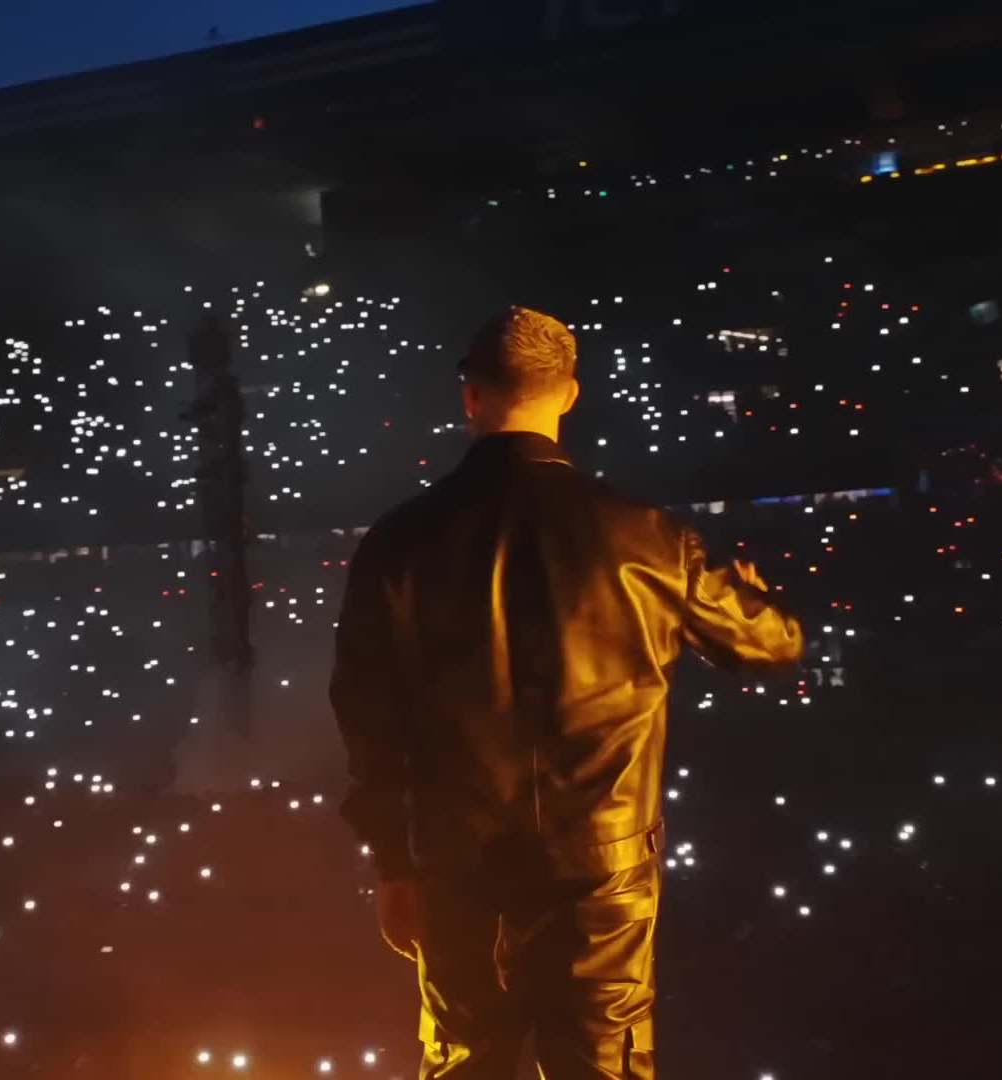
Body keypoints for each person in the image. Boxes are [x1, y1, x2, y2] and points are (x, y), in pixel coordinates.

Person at [330, 306, 805, 1079]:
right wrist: (754, 596)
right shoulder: (649, 537)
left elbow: (366, 718)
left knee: (464, 1060)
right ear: (571, 395)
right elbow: (772, 647)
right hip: (602, 871)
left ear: (471, 394)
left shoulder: (399, 543)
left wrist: (393, 861)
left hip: (457, 861)